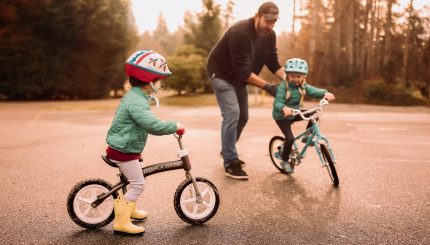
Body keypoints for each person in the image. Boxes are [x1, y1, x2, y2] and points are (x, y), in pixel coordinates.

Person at [106, 50, 185, 235]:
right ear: (149, 81)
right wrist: (174, 126)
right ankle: (121, 222)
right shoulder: (136, 101)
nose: (159, 85)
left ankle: (130, 210)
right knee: (138, 184)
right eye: (158, 81)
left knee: (130, 181)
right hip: (124, 150)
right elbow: (152, 124)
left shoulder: (137, 96)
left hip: (125, 147)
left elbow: (148, 119)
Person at [206, 1, 285, 180]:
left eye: (274, 22)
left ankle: (227, 150)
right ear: (257, 16)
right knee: (232, 113)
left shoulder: (270, 35)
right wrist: (270, 88)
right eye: (268, 21)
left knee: (243, 117)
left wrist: (291, 80)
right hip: (220, 73)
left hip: (238, 78)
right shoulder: (240, 32)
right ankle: (230, 162)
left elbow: (273, 62)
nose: (270, 26)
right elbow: (243, 71)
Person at [272, 58, 335, 174]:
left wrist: (325, 93)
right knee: (290, 138)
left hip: (295, 112)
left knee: (314, 113)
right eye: (292, 76)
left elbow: (314, 91)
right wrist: (283, 108)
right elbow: (278, 103)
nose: (295, 79)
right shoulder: (283, 87)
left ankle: (307, 136)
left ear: (303, 77)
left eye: (298, 76)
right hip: (282, 116)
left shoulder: (302, 86)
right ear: (287, 76)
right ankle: (285, 161)